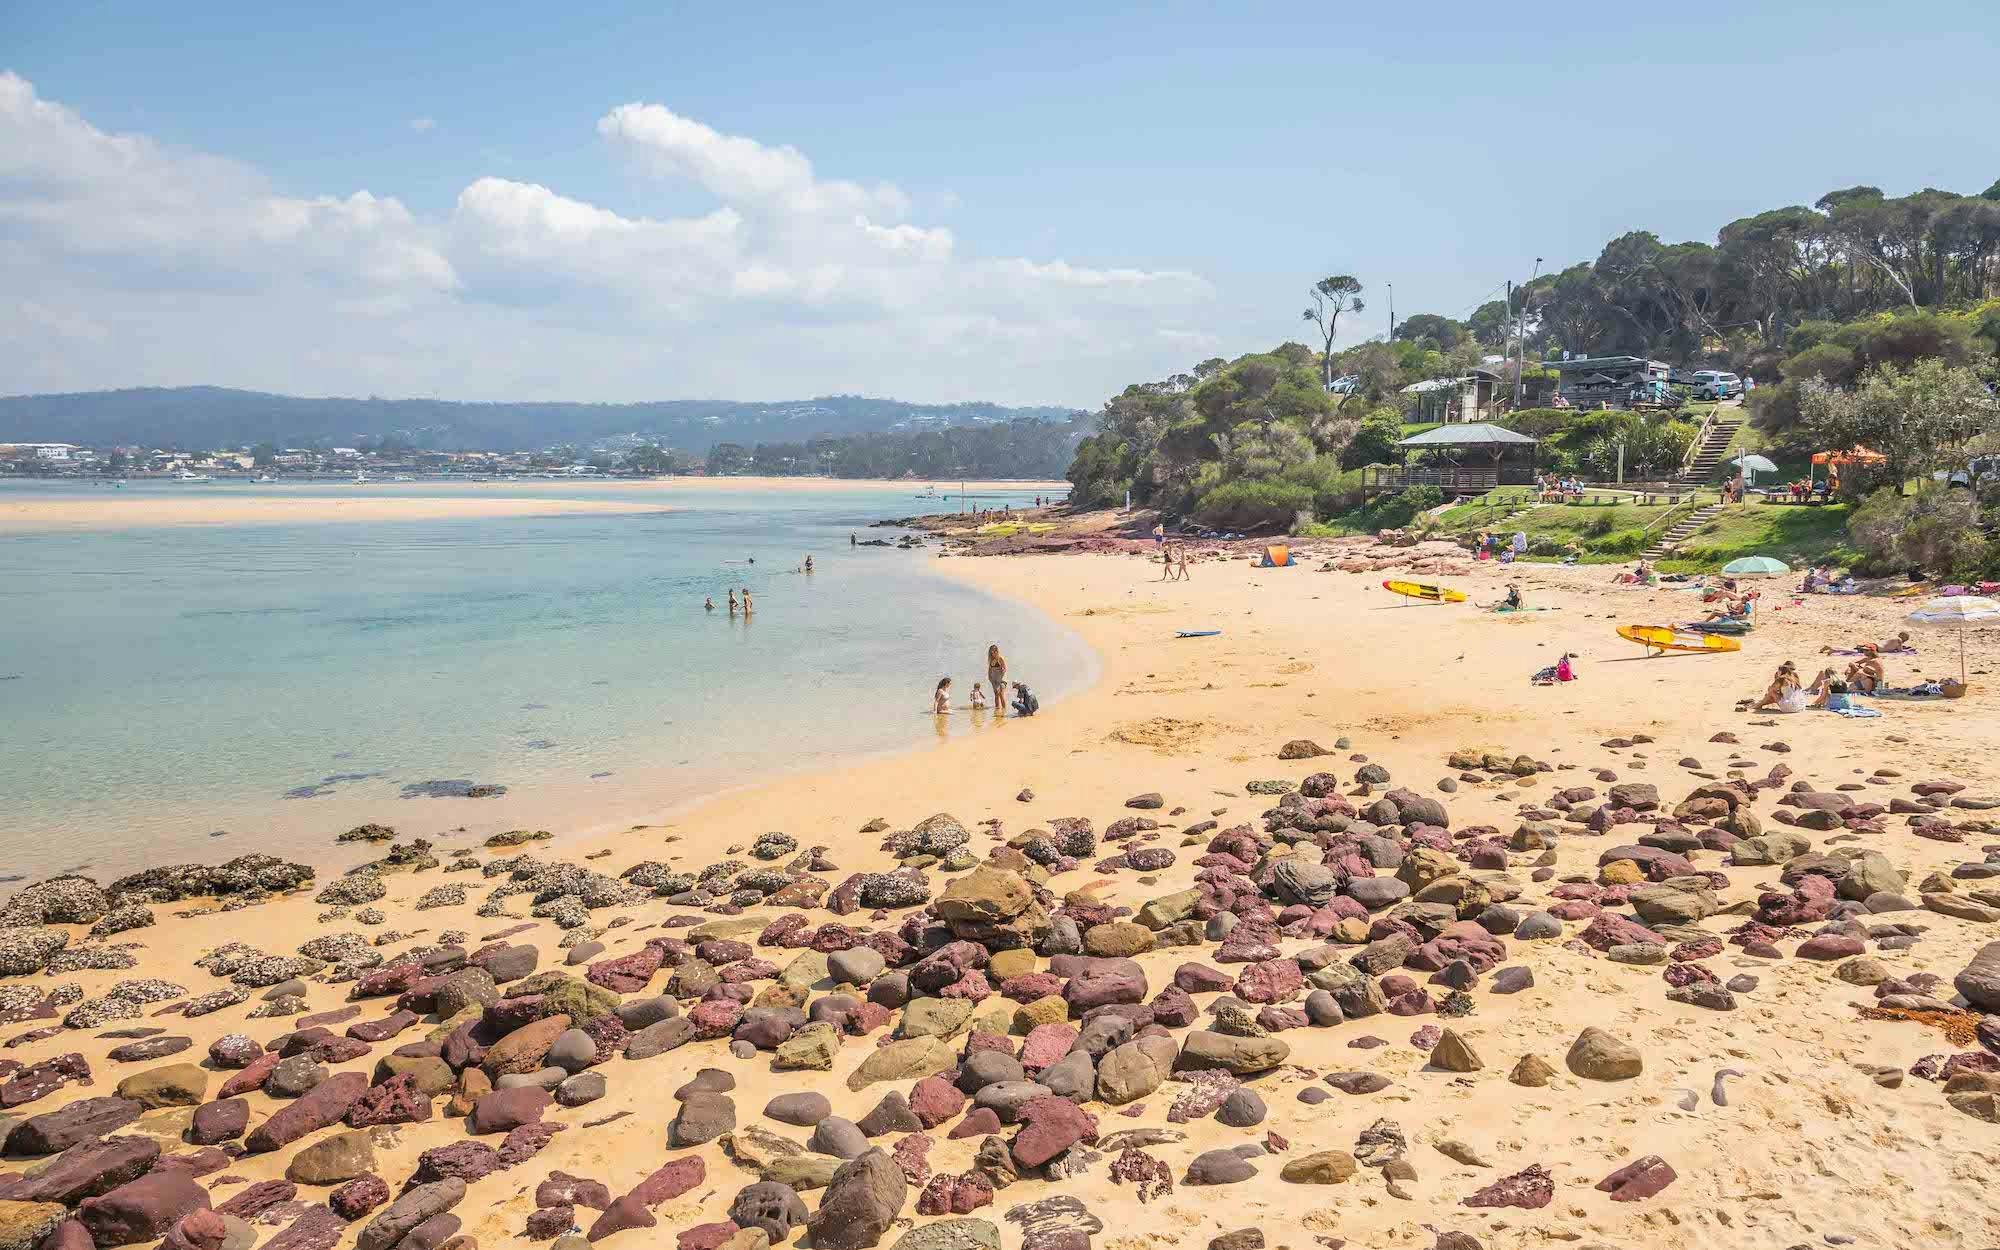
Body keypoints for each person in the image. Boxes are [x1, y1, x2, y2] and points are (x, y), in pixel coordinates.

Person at [986, 644, 1008, 712]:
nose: (993, 653)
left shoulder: (1000, 658)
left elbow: (1005, 669)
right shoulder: (990, 659)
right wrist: (989, 677)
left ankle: (1004, 710)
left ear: (997, 651)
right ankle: (997, 710)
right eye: (991, 652)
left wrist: (1002, 672)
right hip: (994, 679)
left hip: (1001, 679)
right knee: (996, 694)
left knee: (1001, 694)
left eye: (994, 651)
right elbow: (989, 669)